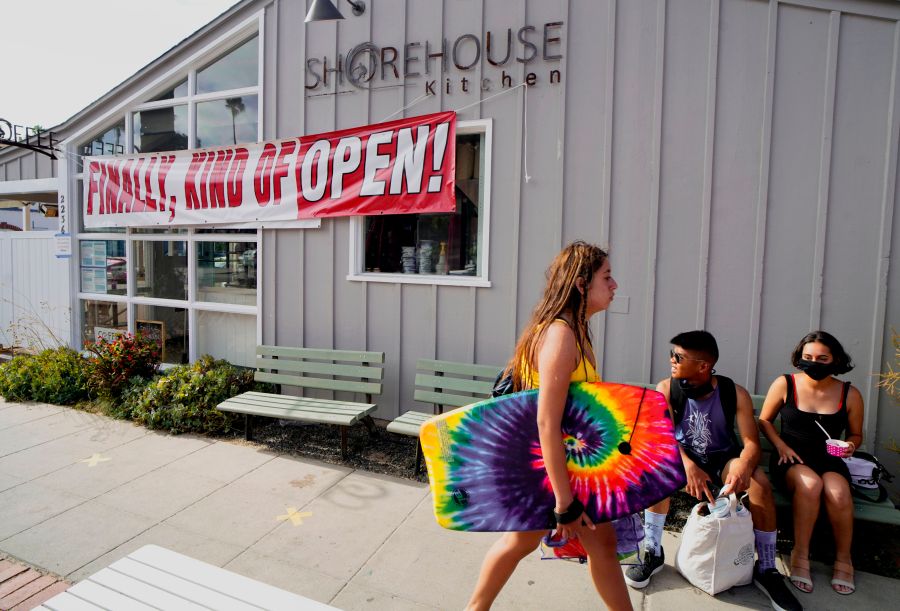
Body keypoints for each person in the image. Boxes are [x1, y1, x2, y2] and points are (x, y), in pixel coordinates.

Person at [465, 241, 632, 611]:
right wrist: (564, 501)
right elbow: (547, 421)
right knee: (522, 544)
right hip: (554, 472)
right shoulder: (560, 335)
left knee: (592, 545)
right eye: (607, 276)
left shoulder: (577, 332)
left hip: (571, 468)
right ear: (581, 284)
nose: (615, 285)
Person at [624, 331, 801, 611]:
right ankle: (652, 551)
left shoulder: (734, 393)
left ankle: (767, 569)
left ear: (703, 365)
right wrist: (688, 465)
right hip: (683, 457)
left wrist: (744, 463)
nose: (671, 360)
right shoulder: (667, 389)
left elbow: (751, 443)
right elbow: (663, 438)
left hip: (722, 459)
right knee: (657, 474)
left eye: (678, 357)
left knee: (760, 485)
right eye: (672, 354)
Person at [758, 331, 863, 596]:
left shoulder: (849, 394)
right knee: (811, 484)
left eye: (821, 358)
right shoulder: (786, 384)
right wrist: (781, 445)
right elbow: (764, 420)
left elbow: (855, 434)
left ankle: (843, 559)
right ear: (799, 358)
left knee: (838, 493)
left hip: (830, 459)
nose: (813, 363)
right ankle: (800, 555)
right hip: (791, 458)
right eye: (807, 357)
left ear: (835, 359)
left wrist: (850, 446)